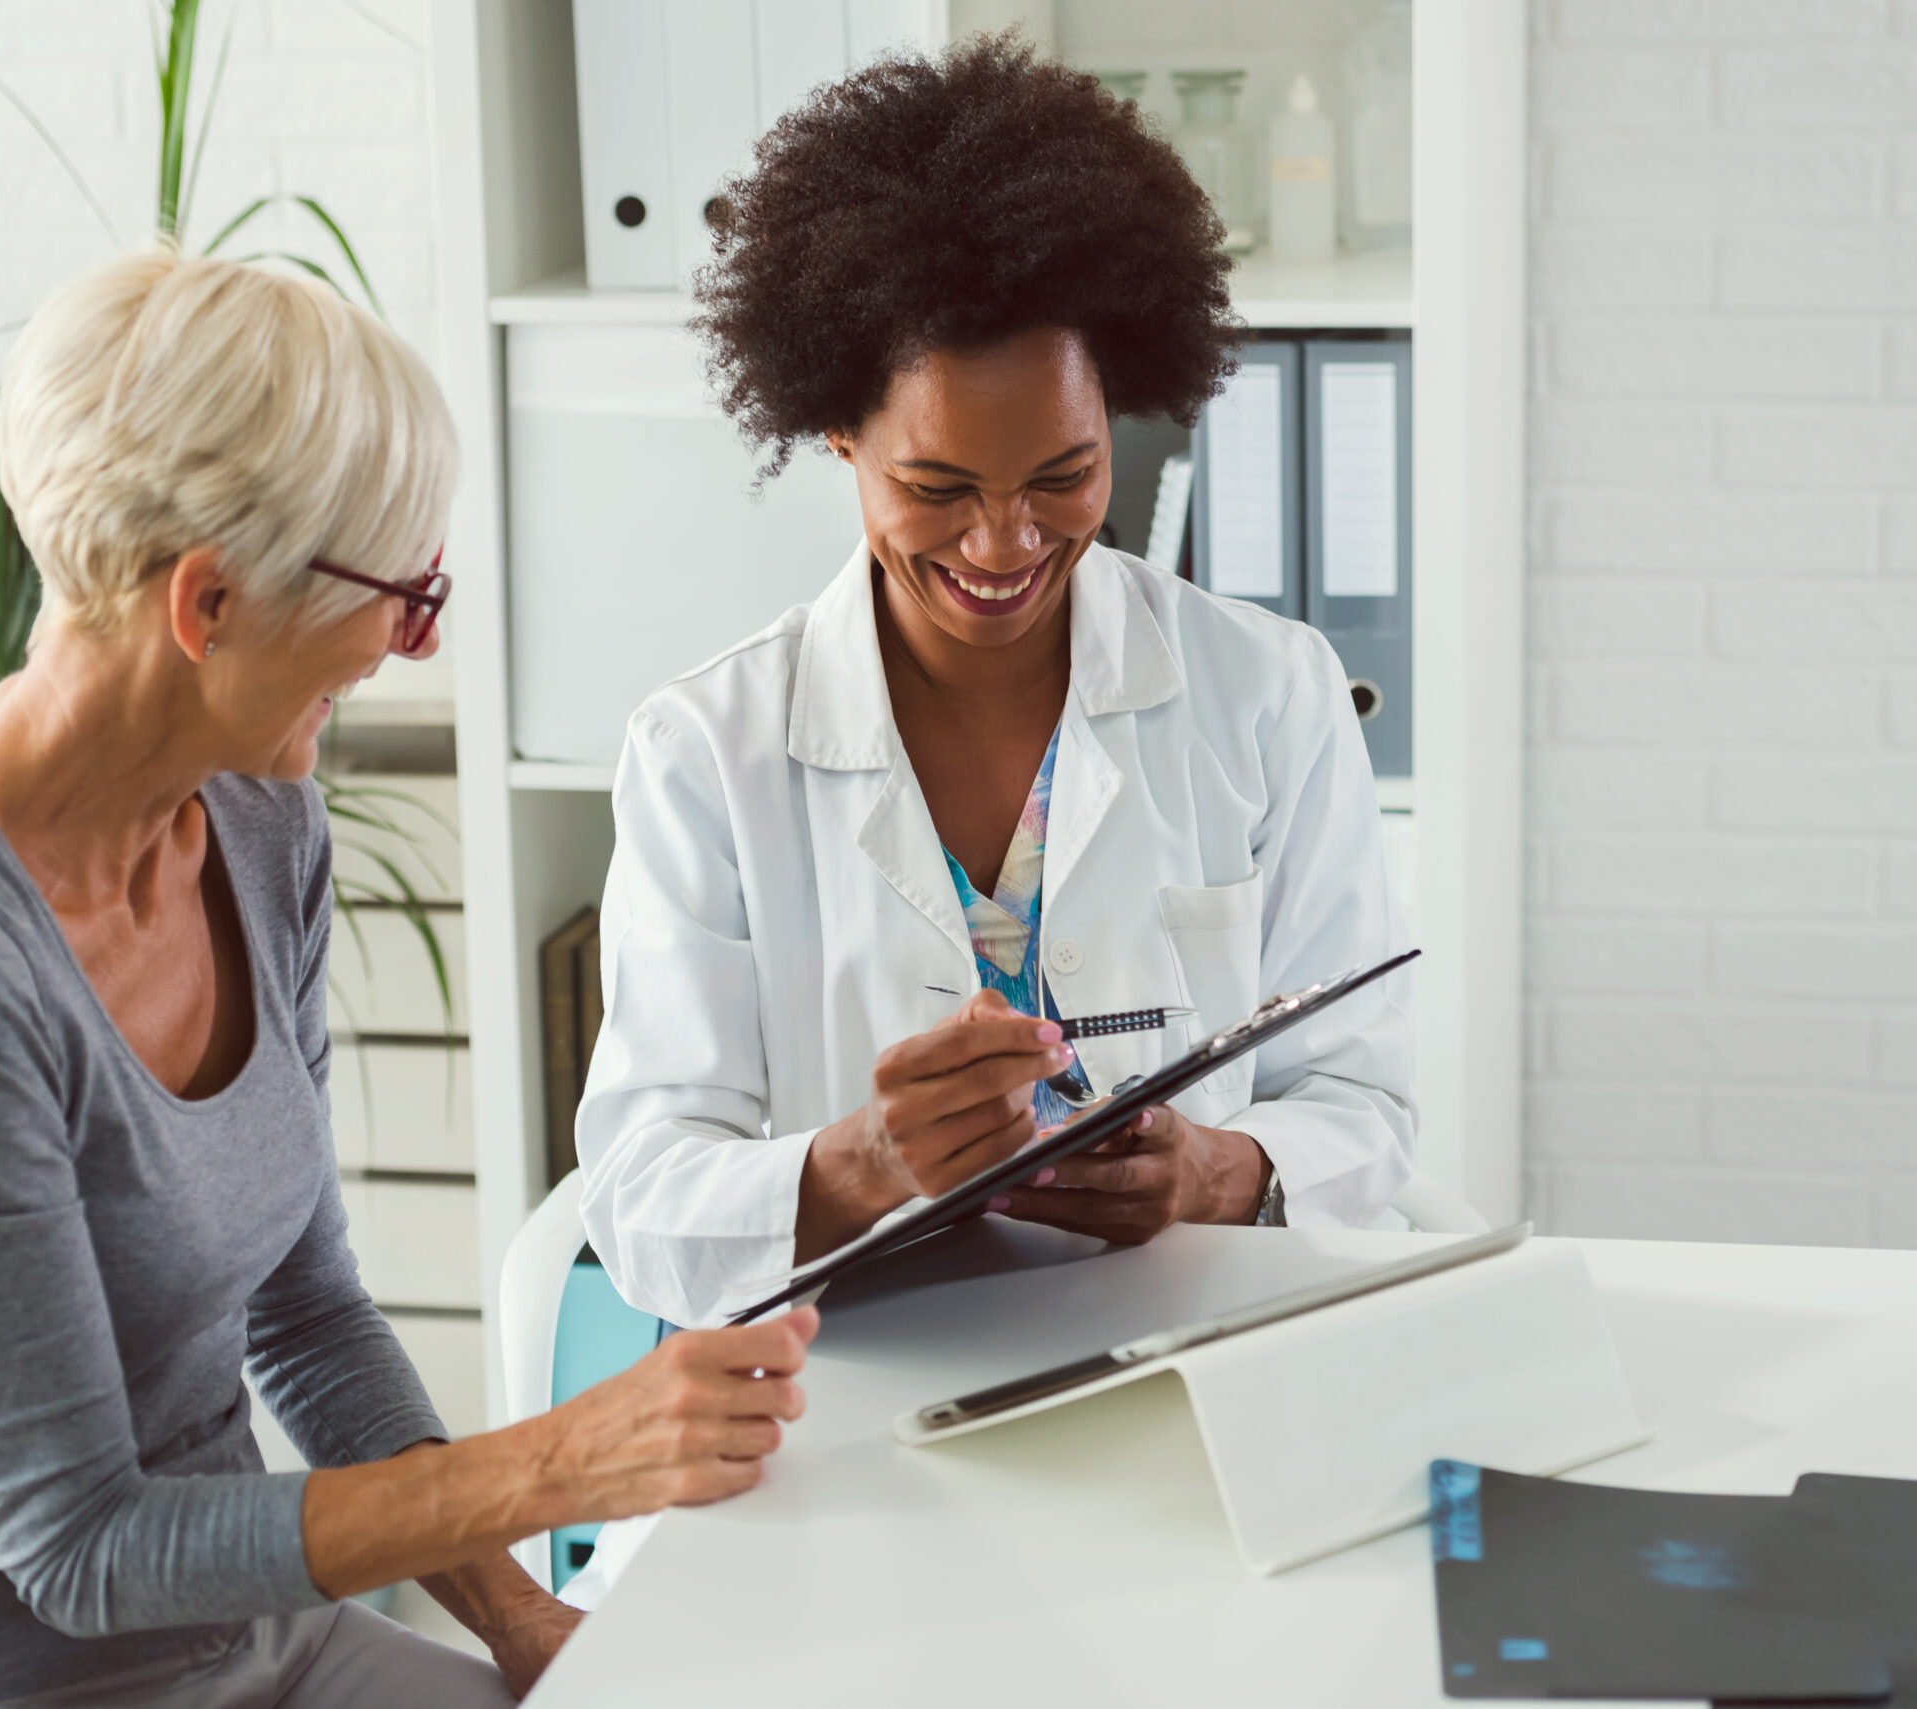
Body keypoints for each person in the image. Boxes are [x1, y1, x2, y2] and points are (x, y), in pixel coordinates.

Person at [0, 248, 816, 1709]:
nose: (407, 644)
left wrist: (515, 1620)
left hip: (246, 1624)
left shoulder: (255, 819)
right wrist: (552, 1464)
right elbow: (77, 1547)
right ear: (208, 605)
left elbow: (306, 1313)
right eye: (407, 595)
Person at [575, 37, 1414, 1334]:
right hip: (852, 1391)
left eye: (1063, 476)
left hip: (1201, 1362)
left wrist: (1218, 1171)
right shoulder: (708, 749)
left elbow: (1367, 1110)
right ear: (838, 428)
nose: (1004, 543)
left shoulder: (1270, 694)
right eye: (939, 488)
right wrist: (862, 1162)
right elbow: (637, 1196)